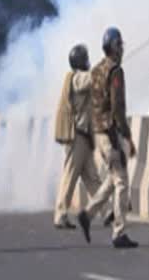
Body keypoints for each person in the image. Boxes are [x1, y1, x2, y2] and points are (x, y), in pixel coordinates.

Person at [77, 27, 138, 249]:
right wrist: (128, 138)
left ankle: (88, 214)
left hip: (98, 133)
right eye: (119, 45)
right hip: (110, 133)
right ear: (114, 47)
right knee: (122, 182)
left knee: (113, 179)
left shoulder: (95, 70)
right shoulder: (115, 72)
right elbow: (117, 108)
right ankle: (119, 232)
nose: (122, 48)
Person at [53, 44, 103, 229]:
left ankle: (106, 211)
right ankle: (60, 214)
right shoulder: (77, 79)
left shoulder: (76, 78)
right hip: (78, 137)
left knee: (92, 177)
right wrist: (106, 67)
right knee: (70, 176)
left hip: (84, 137)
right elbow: (90, 79)